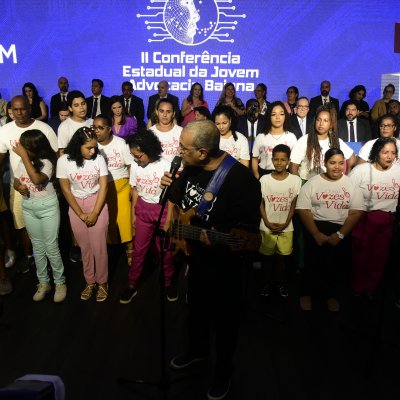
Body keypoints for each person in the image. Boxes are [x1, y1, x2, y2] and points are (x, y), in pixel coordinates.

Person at [163, 120, 261, 400]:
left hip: (226, 265)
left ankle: (223, 370)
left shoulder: (241, 180)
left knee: (226, 321)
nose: (179, 151)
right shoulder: (190, 169)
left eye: (184, 148)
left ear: (203, 152)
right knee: (197, 309)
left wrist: (216, 238)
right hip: (198, 260)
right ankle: (197, 350)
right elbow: (181, 204)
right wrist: (169, 187)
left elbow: (249, 233)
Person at [296, 148, 364, 311]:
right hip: (315, 227)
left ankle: (330, 295)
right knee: (312, 263)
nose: (337, 167)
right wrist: (316, 234)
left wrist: (340, 235)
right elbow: (303, 209)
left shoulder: (351, 184)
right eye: (332, 162)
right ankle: (306, 293)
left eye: (341, 163)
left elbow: (356, 212)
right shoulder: (313, 182)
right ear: (325, 163)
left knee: (334, 265)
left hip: (340, 230)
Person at [0, 96, 58, 274]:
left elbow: (55, 157)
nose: (19, 113)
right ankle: (29, 256)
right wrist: (17, 185)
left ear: (30, 108)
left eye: (23, 109)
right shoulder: (5, 130)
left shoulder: (44, 128)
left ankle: (51, 259)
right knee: (21, 224)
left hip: (44, 186)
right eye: (15, 110)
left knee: (46, 230)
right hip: (18, 186)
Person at [119, 130, 175, 304]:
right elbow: (135, 189)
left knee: (165, 251)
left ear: (150, 150)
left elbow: (172, 197)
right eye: (133, 156)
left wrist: (168, 220)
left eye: (138, 155)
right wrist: (134, 214)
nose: (136, 159)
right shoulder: (136, 165)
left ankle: (168, 283)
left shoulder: (166, 165)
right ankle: (132, 284)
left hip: (162, 211)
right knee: (139, 251)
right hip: (142, 210)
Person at [13, 130, 66, 302]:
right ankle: (43, 282)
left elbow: (36, 179)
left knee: (51, 246)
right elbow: (16, 179)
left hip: (47, 207)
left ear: (33, 146)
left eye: (23, 145)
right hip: (29, 206)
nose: (20, 147)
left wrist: (24, 157)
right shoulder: (23, 161)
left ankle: (60, 282)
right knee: (38, 248)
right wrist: (17, 187)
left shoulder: (47, 162)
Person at [56, 127, 109, 302]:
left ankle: (102, 282)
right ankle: (90, 282)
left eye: (95, 147)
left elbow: (104, 187)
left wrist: (95, 212)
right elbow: (65, 189)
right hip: (76, 205)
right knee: (85, 248)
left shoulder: (99, 158)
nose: (93, 151)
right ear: (78, 145)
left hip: (97, 203)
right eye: (89, 148)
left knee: (99, 247)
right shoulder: (64, 160)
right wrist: (79, 213)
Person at [350, 137, 400, 299]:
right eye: (385, 152)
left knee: (378, 257)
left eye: (393, 153)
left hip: (388, 220)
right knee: (360, 256)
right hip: (364, 219)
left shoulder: (398, 171)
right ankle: (357, 288)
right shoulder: (362, 170)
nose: (389, 156)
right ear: (376, 152)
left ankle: (371, 288)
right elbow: (347, 193)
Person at [259, 144, 301, 300]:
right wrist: (267, 222)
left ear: (288, 161)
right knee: (267, 259)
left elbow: (293, 205)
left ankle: (280, 283)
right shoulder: (264, 179)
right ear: (272, 160)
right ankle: (267, 284)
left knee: (281, 259)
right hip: (266, 226)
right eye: (276, 159)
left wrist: (285, 223)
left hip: (286, 227)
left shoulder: (295, 180)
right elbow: (260, 203)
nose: (279, 163)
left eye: (283, 160)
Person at [94, 115, 134, 264]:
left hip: (122, 186)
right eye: (94, 128)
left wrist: (131, 186)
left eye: (100, 128)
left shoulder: (120, 143)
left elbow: (130, 165)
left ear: (109, 129)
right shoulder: (93, 145)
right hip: (102, 188)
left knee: (125, 220)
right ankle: (109, 251)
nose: (96, 131)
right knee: (107, 221)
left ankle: (130, 250)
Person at [289, 104, 356, 181]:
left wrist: (346, 177)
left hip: (329, 183)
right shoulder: (304, 140)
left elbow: (352, 157)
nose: (321, 124)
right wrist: (299, 184)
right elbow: (293, 165)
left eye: (325, 120)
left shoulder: (335, 141)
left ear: (331, 124)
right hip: (308, 182)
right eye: (318, 120)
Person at [252, 101, 297, 178]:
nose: (277, 117)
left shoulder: (291, 137)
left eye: (281, 114)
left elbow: (294, 161)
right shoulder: (261, 137)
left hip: (285, 175)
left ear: (285, 116)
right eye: (273, 114)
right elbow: (254, 158)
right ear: (269, 117)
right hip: (264, 174)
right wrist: (257, 176)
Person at [149, 98, 182, 164]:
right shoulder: (150, 132)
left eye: (168, 112)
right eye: (161, 111)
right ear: (156, 112)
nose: (165, 115)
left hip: (178, 171)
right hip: (157, 172)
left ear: (173, 113)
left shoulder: (181, 131)